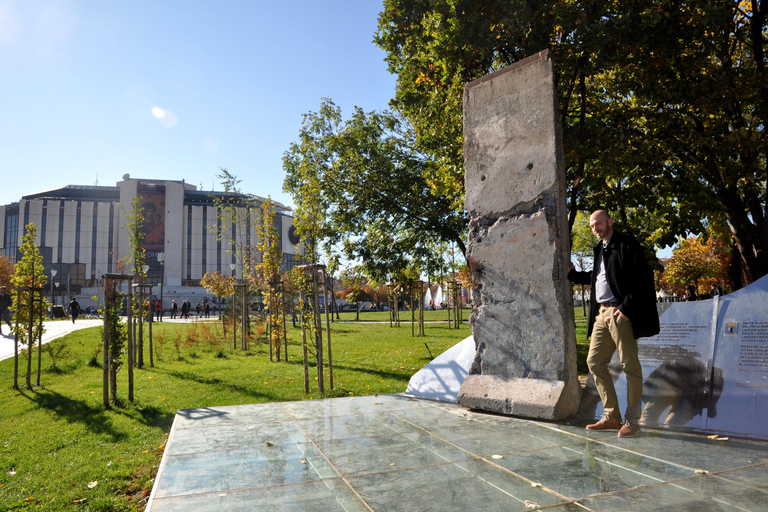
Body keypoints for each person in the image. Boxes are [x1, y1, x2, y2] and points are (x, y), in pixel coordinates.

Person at [568, 210, 660, 438]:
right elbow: (599, 276)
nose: (595, 228)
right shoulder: (600, 249)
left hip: (620, 312)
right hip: (601, 314)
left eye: (598, 223)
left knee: (630, 367)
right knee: (594, 362)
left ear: (610, 222)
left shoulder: (626, 244)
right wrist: (574, 275)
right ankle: (611, 417)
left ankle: (632, 421)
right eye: (592, 226)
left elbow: (644, 278)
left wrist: (626, 308)